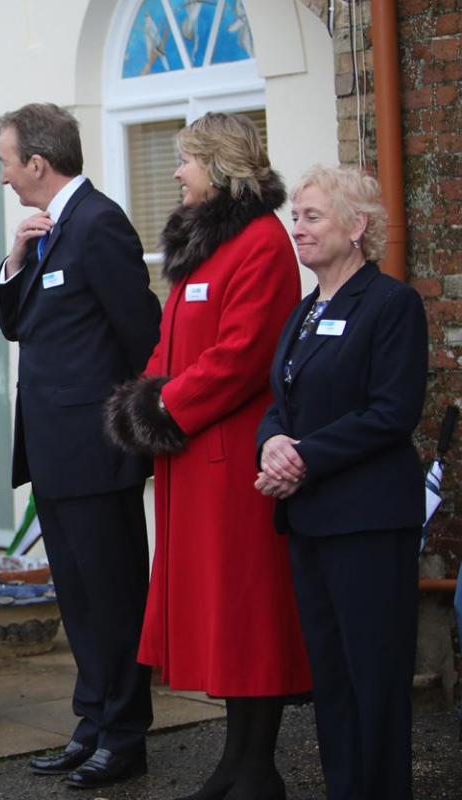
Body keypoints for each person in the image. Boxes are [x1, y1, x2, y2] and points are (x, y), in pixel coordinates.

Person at [106, 112, 311, 799]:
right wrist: (150, 395)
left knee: (246, 617)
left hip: (234, 460)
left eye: (185, 159)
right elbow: (173, 341)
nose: (175, 172)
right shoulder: (206, 244)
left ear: (218, 165)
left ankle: (257, 767)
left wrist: (166, 405)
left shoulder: (260, 242)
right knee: (220, 621)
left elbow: (243, 355)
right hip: (193, 459)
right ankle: (237, 763)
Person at [0, 103, 159, 788]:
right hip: (55, 453)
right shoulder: (47, 232)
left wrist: (132, 436)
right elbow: (15, 325)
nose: (2, 176)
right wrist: (15, 257)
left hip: (98, 452)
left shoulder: (99, 223)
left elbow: (143, 335)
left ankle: (124, 735)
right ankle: (91, 722)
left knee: (114, 599)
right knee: (81, 602)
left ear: (37, 161)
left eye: (6, 161)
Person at [256, 165, 426, 800]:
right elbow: (284, 400)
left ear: (357, 228)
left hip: (368, 521)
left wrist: (302, 457)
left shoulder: (391, 305)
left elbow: (391, 410)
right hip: (311, 521)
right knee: (330, 676)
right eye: (295, 216)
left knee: (373, 678)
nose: (297, 228)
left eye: (312, 217)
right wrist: (271, 440)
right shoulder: (305, 312)